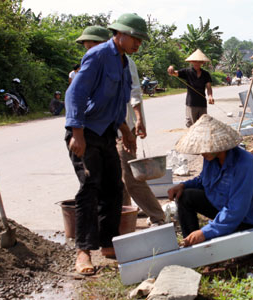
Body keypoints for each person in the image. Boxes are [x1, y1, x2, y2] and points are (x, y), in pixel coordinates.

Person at [65, 13, 147, 276]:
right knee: (89, 188)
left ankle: (108, 242)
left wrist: (126, 130)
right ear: (119, 34)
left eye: (140, 40)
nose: (137, 43)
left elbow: (118, 102)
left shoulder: (124, 62)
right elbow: (75, 94)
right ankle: (83, 252)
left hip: (107, 132)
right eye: (135, 37)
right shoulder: (98, 55)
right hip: (85, 131)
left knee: (113, 187)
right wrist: (76, 132)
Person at [76, 24, 166, 226]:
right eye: (87, 47)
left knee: (130, 177)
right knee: (116, 180)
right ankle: (121, 217)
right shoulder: (95, 62)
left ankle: (158, 217)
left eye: (93, 46)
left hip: (122, 127)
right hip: (104, 129)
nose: (90, 51)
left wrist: (135, 122)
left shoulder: (125, 63)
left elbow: (133, 94)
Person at [167, 114, 253, 246]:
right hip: (223, 209)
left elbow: (236, 211)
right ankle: (191, 243)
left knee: (219, 237)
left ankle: (201, 240)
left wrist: (205, 232)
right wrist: (182, 185)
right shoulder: (211, 157)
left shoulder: (244, 165)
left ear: (218, 145)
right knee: (185, 196)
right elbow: (203, 180)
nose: (202, 153)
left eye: (205, 148)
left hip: (246, 220)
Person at [167, 49, 214, 127]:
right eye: (195, 61)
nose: (197, 63)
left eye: (199, 61)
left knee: (203, 125)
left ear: (202, 62)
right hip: (191, 103)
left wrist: (210, 96)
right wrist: (171, 68)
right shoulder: (187, 72)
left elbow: (209, 87)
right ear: (192, 62)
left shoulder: (206, 74)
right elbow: (175, 73)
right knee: (191, 126)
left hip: (202, 103)